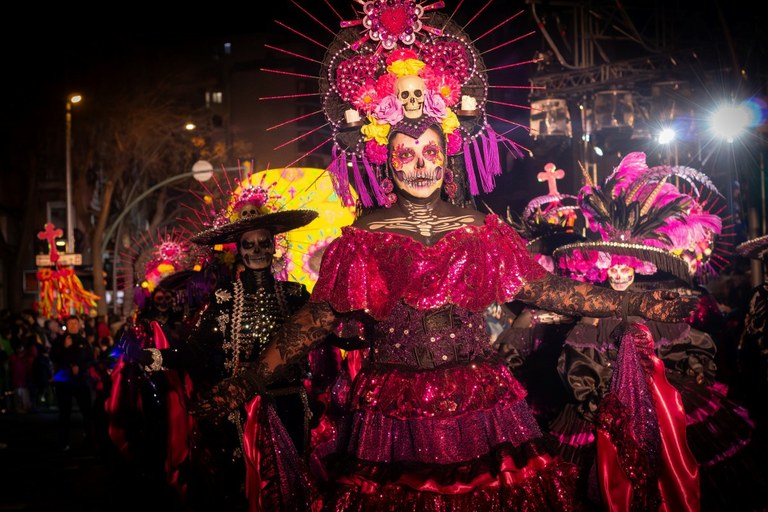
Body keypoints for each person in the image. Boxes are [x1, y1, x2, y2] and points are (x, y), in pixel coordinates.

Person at [551, 152, 768, 511]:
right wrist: (594, 398)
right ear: (604, 269)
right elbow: (577, 358)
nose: (619, 275)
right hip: (609, 403)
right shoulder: (594, 309)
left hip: (663, 403)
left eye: (625, 269)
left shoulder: (653, 304)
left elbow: (687, 342)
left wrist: (693, 371)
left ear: (637, 269)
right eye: (613, 270)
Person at [125, 177, 321, 512]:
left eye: (263, 243)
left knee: (293, 489)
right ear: (239, 250)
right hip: (242, 410)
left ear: (274, 246)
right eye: (249, 245)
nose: (257, 251)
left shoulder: (295, 295)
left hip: (291, 405)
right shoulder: (224, 299)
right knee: (245, 488)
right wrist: (151, 356)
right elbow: (195, 352)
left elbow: (323, 337)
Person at [50, 315, 95, 451]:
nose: (73, 326)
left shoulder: (84, 342)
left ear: (79, 325)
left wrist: (80, 367)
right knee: (64, 413)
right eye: (70, 324)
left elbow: (90, 360)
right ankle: (64, 442)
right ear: (66, 326)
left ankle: (90, 440)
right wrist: (65, 347)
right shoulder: (59, 341)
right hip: (64, 382)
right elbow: (54, 357)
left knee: (87, 412)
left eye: (75, 323)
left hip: (81, 381)